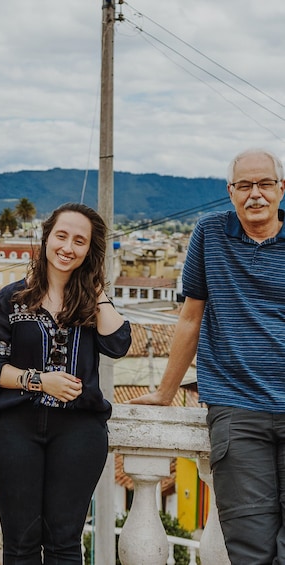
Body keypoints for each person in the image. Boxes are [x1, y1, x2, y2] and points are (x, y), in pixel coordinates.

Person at [130, 147, 285, 564]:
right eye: (245, 185)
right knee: (251, 549)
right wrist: (165, 392)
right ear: (230, 191)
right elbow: (190, 318)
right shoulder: (210, 233)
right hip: (237, 409)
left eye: (265, 184)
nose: (256, 194)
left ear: (281, 189)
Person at [0, 202, 131, 564]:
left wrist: (96, 289)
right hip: (13, 427)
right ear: (46, 238)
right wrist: (39, 381)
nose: (68, 247)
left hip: (79, 430)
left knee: (64, 543)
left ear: (89, 251)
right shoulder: (10, 300)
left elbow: (118, 344)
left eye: (80, 241)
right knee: (21, 543)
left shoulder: (92, 304)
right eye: (61, 236)